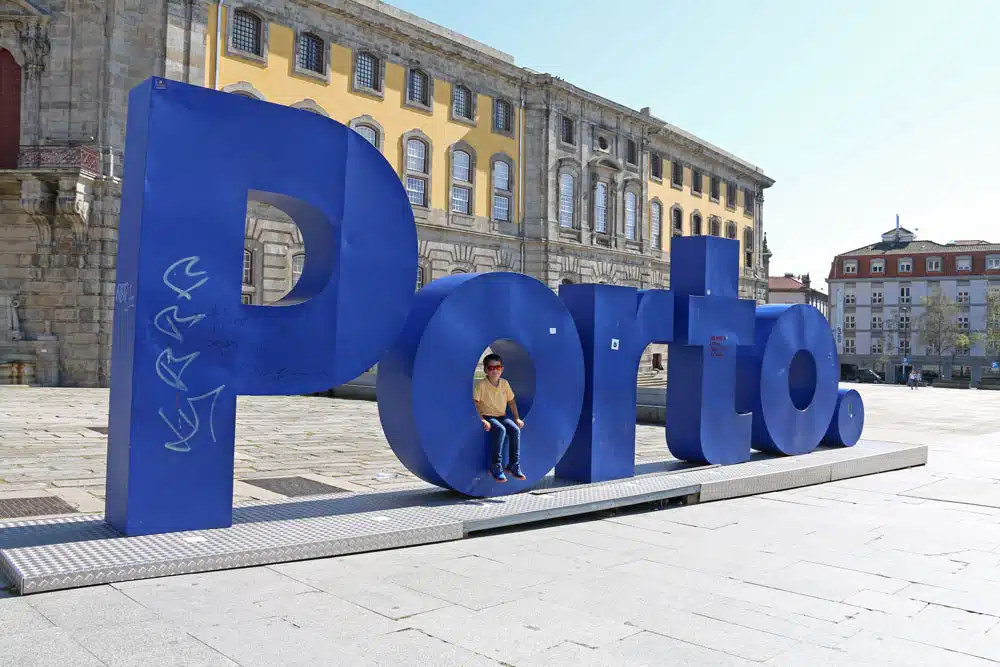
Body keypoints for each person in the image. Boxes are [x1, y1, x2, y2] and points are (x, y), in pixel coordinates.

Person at [473, 353, 525, 482]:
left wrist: (517, 418)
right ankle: (495, 466)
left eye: (498, 367)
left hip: (501, 416)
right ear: (485, 370)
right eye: (491, 368)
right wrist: (482, 419)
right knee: (500, 430)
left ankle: (513, 465)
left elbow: (511, 401)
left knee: (514, 429)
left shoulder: (504, 384)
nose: (495, 370)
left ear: (502, 369)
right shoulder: (481, 385)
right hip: (488, 416)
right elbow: (475, 404)